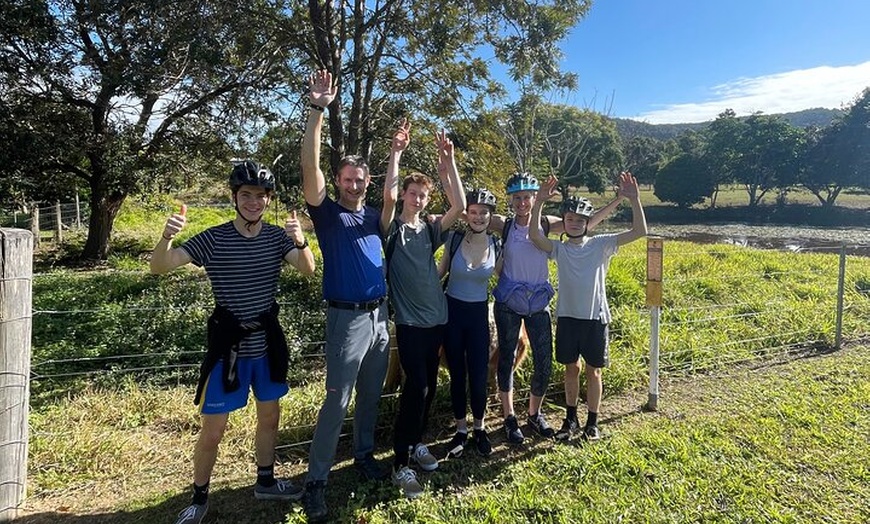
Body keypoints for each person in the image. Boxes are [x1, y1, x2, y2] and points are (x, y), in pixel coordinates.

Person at [151, 161, 316, 524]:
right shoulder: (213, 238)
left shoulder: (276, 238)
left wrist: (300, 239)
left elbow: (307, 269)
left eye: (260, 196)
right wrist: (167, 237)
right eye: (246, 195)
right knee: (214, 429)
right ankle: (199, 497)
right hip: (229, 349)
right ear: (234, 198)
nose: (254, 202)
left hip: (268, 345)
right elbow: (160, 266)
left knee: (270, 418)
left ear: (268, 199)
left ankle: (266, 481)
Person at [300, 69, 391, 523]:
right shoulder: (328, 215)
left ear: (367, 182)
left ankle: (364, 455)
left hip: (380, 319)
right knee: (337, 399)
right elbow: (308, 169)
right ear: (338, 180)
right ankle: (316, 481)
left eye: (360, 180)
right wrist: (318, 110)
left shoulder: (375, 216)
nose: (354, 185)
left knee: (371, 394)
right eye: (348, 179)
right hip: (346, 320)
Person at [488, 172, 622, 444]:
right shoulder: (504, 224)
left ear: (535, 197)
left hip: (538, 302)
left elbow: (584, 223)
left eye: (527, 197)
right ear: (511, 200)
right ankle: (509, 417)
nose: (522, 203)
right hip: (508, 302)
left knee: (544, 361)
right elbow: (470, 215)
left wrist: (618, 200)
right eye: (517, 198)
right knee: (507, 358)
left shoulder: (548, 224)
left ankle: (534, 415)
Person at [527, 172, 647, 442]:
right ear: (565, 222)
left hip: (595, 318)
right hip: (568, 318)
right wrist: (540, 203)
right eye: (570, 219)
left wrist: (634, 200)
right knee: (571, 369)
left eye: (580, 220)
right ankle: (570, 418)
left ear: (587, 223)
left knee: (594, 371)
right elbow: (534, 234)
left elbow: (640, 231)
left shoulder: (601, 244)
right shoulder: (560, 249)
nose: (574, 224)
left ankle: (592, 422)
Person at [381, 127, 466, 498]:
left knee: (429, 388)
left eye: (423, 195)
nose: (418, 199)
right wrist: (397, 153)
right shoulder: (392, 229)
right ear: (406, 196)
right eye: (413, 194)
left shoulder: (430, 229)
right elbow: (386, 196)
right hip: (412, 325)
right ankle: (400, 464)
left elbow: (460, 206)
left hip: (438, 322)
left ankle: (416, 442)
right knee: (415, 388)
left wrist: (448, 164)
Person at [438, 187, 501, 460]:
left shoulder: (497, 245)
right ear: (466, 215)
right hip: (452, 313)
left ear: (490, 216)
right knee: (457, 375)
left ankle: (480, 428)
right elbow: (438, 273)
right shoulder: (453, 240)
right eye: (473, 212)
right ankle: (460, 430)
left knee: (478, 374)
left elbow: (507, 277)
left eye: (483, 213)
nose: (478, 217)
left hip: (478, 316)